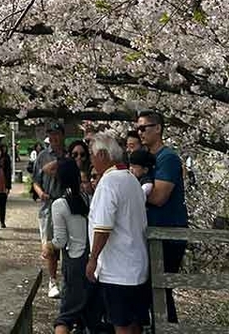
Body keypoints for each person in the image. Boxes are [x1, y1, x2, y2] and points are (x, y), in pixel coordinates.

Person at [86, 131, 151, 334]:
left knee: (121, 324)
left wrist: (93, 258)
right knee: (134, 323)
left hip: (118, 268)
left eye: (91, 155)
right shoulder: (131, 178)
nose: (91, 160)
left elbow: (103, 227)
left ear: (103, 155)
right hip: (137, 265)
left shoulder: (109, 182)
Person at [137, 109, 189, 324]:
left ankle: (168, 328)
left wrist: (135, 193)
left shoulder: (167, 158)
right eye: (137, 128)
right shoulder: (148, 159)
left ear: (157, 128)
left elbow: (159, 197)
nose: (140, 133)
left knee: (161, 290)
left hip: (168, 233)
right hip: (153, 232)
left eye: (144, 128)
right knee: (152, 290)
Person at [51, 157, 102, 334]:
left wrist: (47, 246)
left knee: (65, 316)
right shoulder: (87, 199)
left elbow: (60, 241)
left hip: (73, 261)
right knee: (91, 316)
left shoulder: (59, 204)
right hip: (91, 261)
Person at [33, 122, 67, 298]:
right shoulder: (43, 156)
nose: (53, 138)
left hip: (68, 204)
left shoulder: (70, 154)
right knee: (50, 246)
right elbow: (36, 180)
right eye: (50, 135)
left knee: (69, 245)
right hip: (48, 205)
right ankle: (53, 280)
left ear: (62, 135)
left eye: (56, 134)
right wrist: (40, 193)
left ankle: (68, 280)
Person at [0, 141, 12, 229]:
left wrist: (8, 186)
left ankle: (2, 221)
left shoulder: (6, 158)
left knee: (3, 204)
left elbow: (9, 172)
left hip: (3, 182)